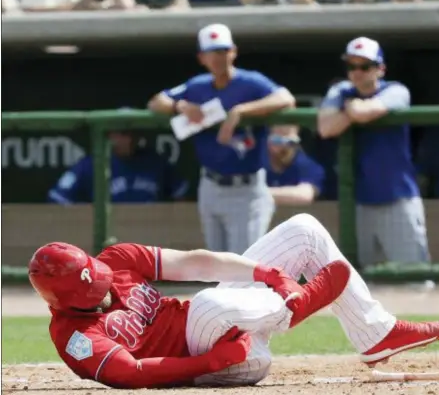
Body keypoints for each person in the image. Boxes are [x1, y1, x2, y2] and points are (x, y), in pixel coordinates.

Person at [28, 213, 439, 389]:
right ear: (71, 299)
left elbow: (194, 262)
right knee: (211, 304)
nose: (105, 283)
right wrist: (212, 362)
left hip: (226, 320)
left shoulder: (114, 260)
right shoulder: (72, 336)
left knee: (303, 229)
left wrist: (267, 273)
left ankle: (374, 332)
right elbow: (133, 372)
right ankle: (291, 308)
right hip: (220, 359)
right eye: (95, 287)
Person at [148, 23, 295, 254]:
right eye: (212, 52)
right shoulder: (197, 86)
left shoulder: (250, 82)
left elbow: (285, 98)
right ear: (201, 57)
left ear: (233, 52)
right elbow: (156, 102)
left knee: (244, 265)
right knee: (217, 264)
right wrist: (181, 105)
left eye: (223, 51)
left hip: (246, 187)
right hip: (210, 185)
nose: (218, 58)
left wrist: (241, 110)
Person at [317, 36, 430, 268]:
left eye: (365, 66)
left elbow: (365, 112)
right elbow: (325, 128)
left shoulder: (396, 91)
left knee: (414, 275)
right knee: (356, 280)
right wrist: (353, 110)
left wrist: (350, 109)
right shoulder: (341, 91)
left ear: (380, 69)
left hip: (397, 197)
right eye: (352, 66)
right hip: (357, 201)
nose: (357, 72)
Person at [48, 129, 188, 204]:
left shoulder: (155, 161)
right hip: (110, 237)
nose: (128, 140)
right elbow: (58, 197)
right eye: (122, 134)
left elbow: (181, 194)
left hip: (150, 233)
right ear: (110, 136)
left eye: (132, 133)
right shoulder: (91, 164)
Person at [266, 125, 326, 206]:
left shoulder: (308, 165)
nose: (284, 145)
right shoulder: (258, 162)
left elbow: (304, 195)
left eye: (290, 141)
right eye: (277, 140)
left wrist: (260, 193)